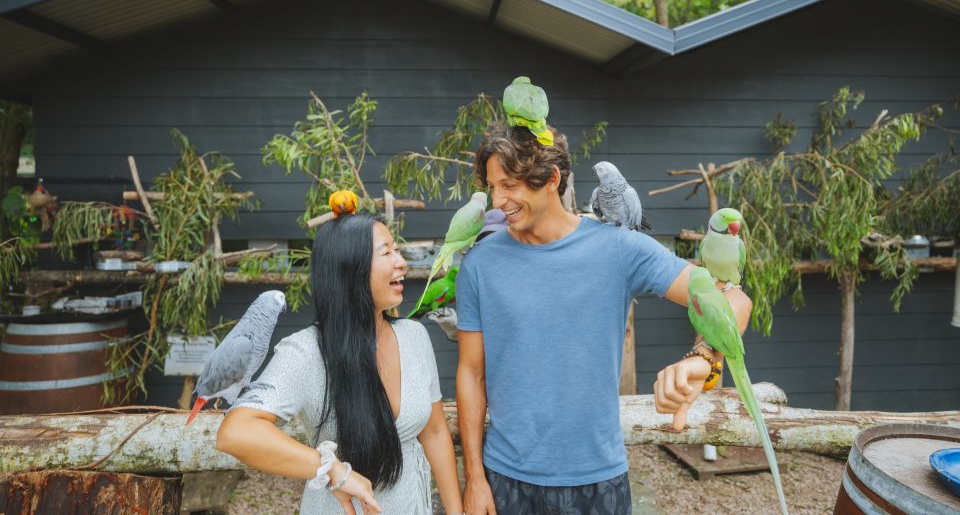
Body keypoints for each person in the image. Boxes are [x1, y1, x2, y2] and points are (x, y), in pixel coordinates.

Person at [456, 123, 753, 514]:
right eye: (493, 187)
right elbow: (470, 373)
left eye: (509, 185)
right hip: (506, 478)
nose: (497, 201)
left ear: (551, 179)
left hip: (598, 479)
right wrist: (475, 478)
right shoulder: (480, 263)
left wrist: (704, 357)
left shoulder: (616, 246)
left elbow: (736, 301)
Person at [217, 213, 464, 515]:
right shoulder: (306, 351)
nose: (402, 262)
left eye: (397, 250)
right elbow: (235, 432)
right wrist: (332, 470)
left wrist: (456, 510)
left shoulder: (414, 336)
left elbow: (435, 432)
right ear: (350, 269)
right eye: (387, 252)